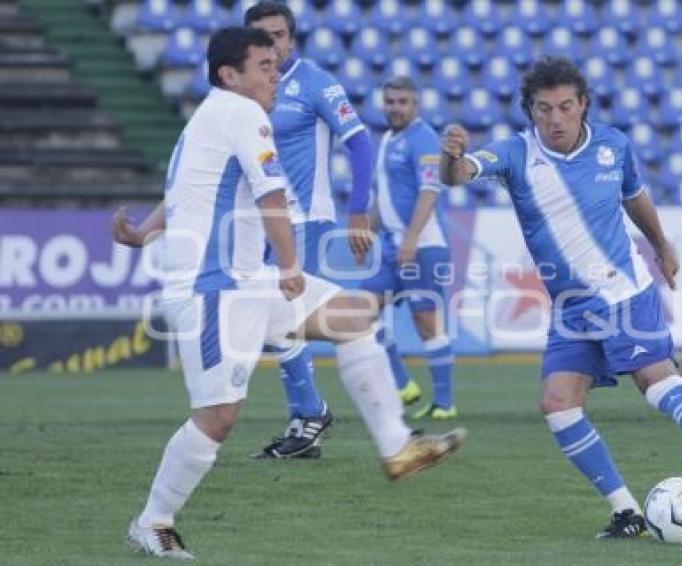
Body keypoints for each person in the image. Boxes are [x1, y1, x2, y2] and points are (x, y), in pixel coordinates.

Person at [122, 27, 464, 560]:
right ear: (229, 75)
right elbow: (272, 196)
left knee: (353, 317)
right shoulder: (240, 113)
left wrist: (146, 232)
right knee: (219, 417)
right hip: (214, 289)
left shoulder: (208, 119)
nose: (276, 72)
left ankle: (397, 446)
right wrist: (288, 264)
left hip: (245, 282)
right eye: (263, 65)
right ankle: (153, 521)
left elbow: (183, 194)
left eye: (276, 63)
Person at [440, 56, 682, 539]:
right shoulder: (514, 153)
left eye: (565, 106)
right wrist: (450, 157)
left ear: (583, 104)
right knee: (558, 403)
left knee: (656, 382)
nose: (555, 119)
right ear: (530, 110)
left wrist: (660, 245)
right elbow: (461, 174)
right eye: (543, 108)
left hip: (622, 292)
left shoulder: (613, 145)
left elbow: (635, 196)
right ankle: (627, 512)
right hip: (571, 305)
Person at [243, 1, 375, 460]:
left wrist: (359, 210)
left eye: (278, 35)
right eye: (262, 37)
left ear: (291, 38)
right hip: (257, 224)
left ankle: (310, 415)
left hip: (304, 220)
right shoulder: (243, 89)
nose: (272, 45)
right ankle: (308, 417)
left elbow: (359, 142)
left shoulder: (314, 81)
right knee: (273, 320)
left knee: (285, 317)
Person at [360, 76, 456, 419]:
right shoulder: (387, 139)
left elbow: (430, 191)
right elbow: (383, 198)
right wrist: (365, 232)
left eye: (402, 102)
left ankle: (444, 403)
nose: (395, 108)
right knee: (360, 310)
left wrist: (412, 239)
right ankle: (402, 385)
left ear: (415, 105)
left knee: (426, 322)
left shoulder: (424, 138)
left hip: (424, 245)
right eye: (390, 101)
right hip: (392, 247)